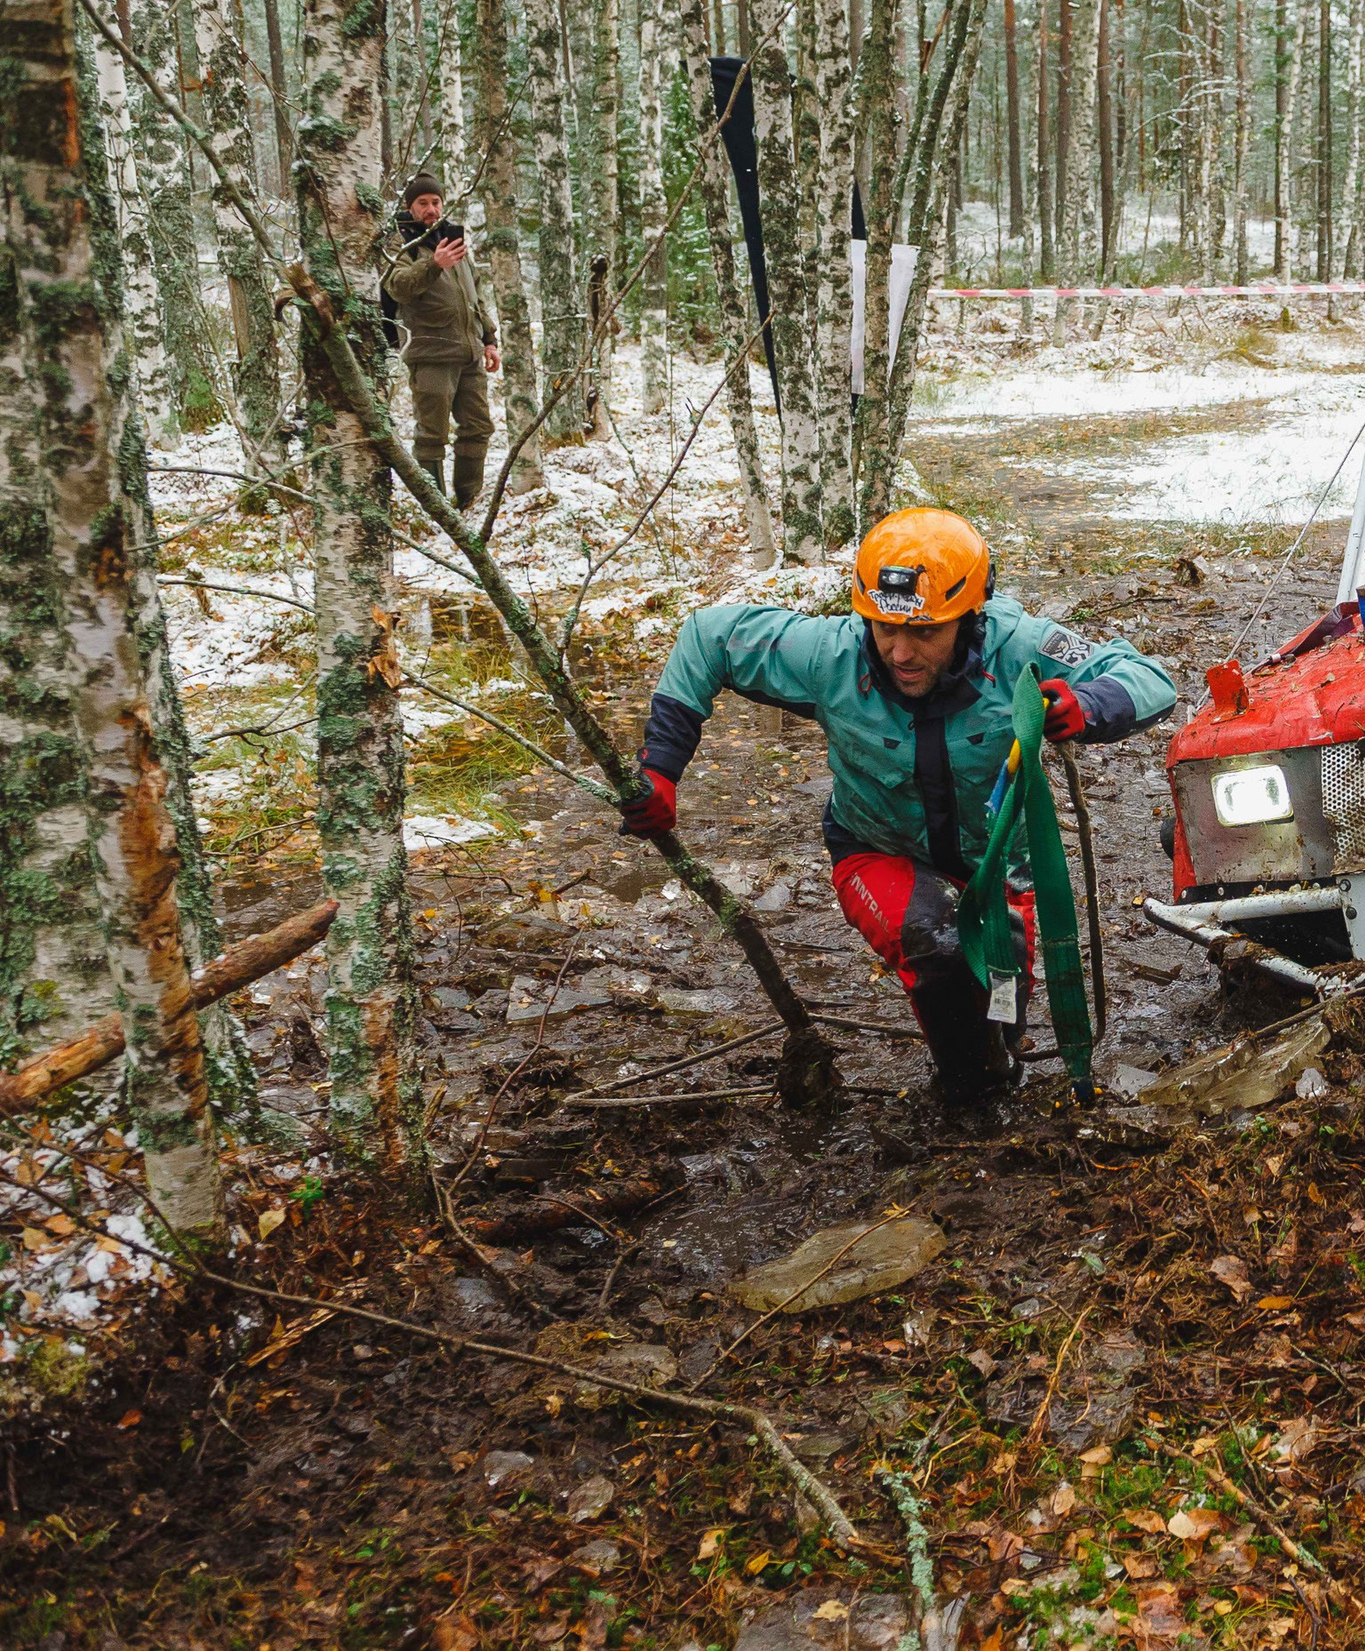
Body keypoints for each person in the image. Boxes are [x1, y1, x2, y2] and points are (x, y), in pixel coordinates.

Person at [621, 508, 1178, 1099]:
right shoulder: (829, 654)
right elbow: (707, 635)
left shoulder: (1022, 648)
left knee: (1000, 986)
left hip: (999, 864)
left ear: (970, 618)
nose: (901, 652)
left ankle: (992, 1072)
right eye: (885, 629)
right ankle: (962, 1103)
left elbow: (1149, 678)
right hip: (875, 849)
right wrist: (661, 768)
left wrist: (1087, 704)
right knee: (938, 945)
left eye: (924, 632)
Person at [383, 171, 501, 511]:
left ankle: (467, 501)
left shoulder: (452, 239)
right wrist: (432, 265)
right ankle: (435, 509)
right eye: (423, 203)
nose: (431, 209)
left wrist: (489, 339)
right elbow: (397, 286)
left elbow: (474, 296)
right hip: (430, 351)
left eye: (436, 202)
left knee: (478, 427)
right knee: (432, 436)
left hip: (470, 354)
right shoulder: (402, 242)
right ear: (410, 207)